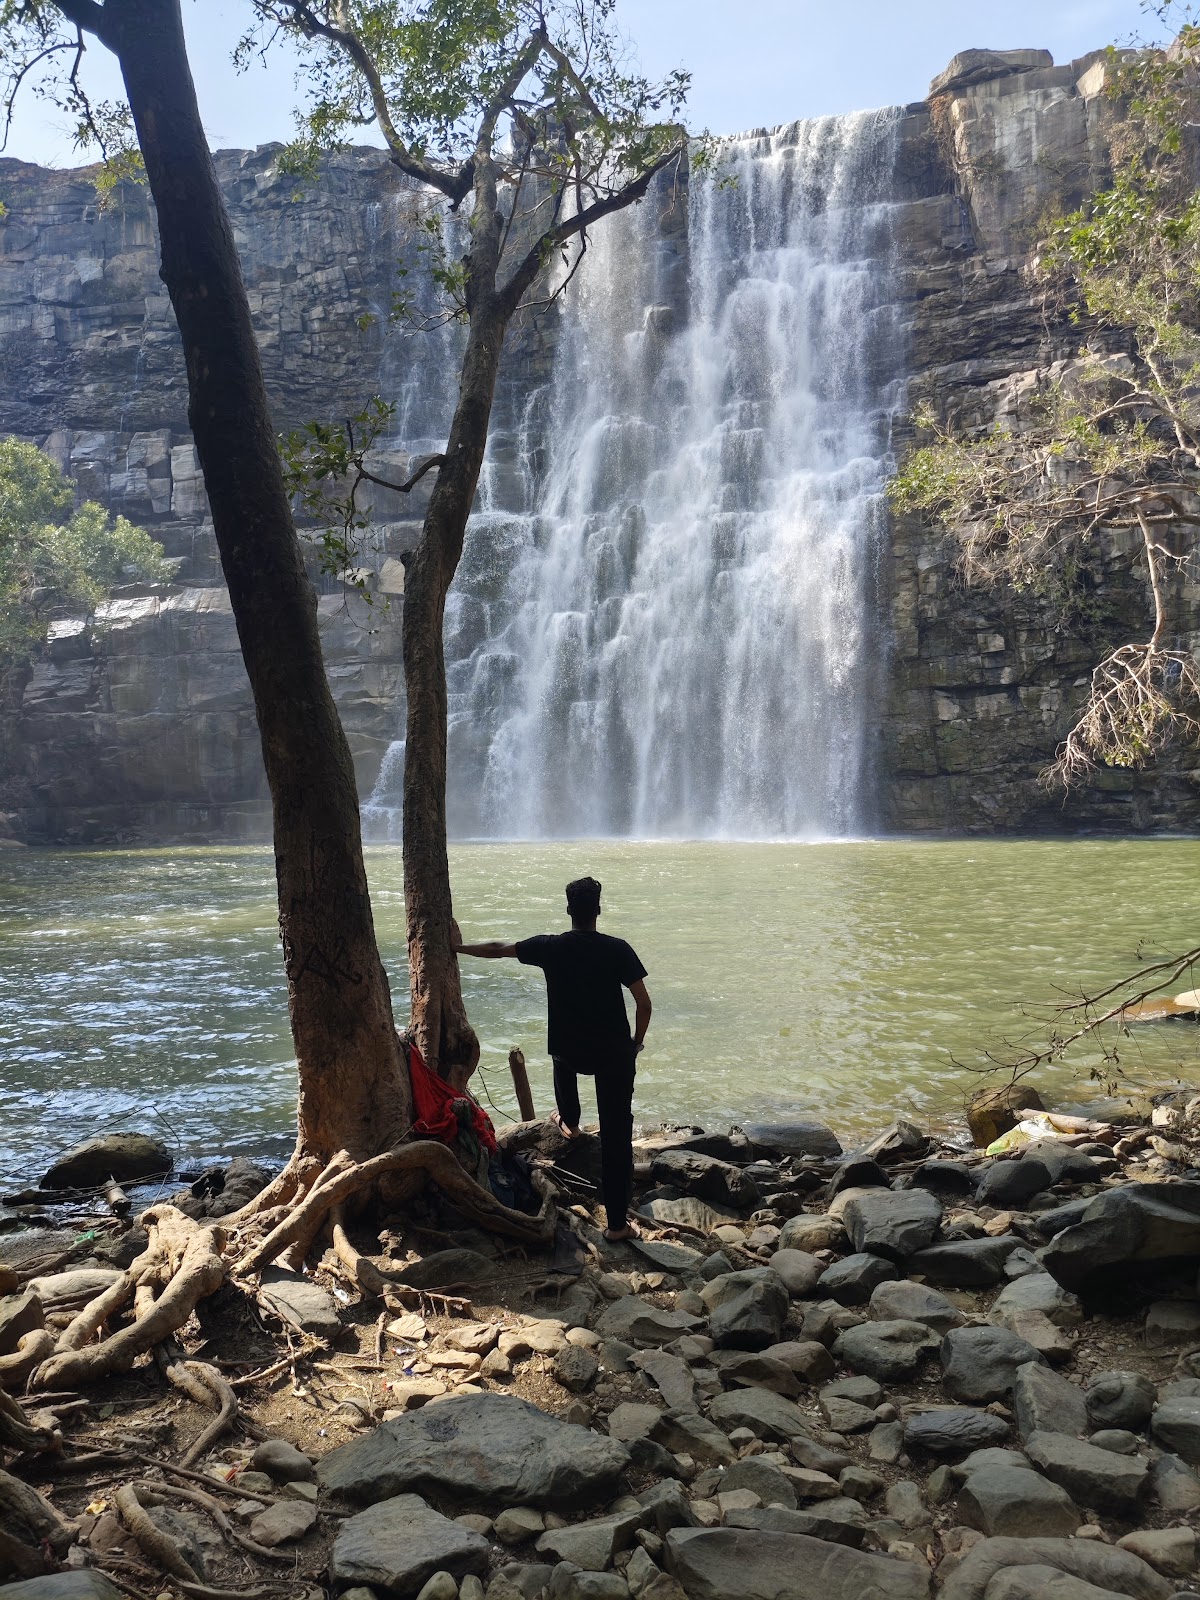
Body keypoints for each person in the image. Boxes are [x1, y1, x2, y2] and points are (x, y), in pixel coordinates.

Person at [453, 875, 652, 1241]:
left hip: (570, 1052)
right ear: (598, 910)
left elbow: (500, 947)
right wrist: (636, 1044)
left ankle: (569, 1120)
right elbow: (643, 1003)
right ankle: (619, 1226)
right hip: (613, 1055)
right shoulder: (618, 949)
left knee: (562, 1061)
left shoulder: (550, 947)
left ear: (569, 910)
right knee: (617, 1134)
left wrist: (459, 949)